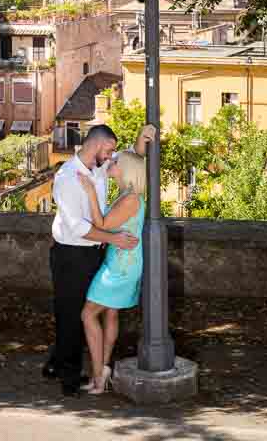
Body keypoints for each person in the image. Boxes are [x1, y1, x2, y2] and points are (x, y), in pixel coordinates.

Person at [43, 123, 155, 397]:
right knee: (71, 315)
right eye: (110, 149)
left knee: (84, 311)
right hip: (71, 253)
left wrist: (142, 137)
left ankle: (58, 363)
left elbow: (133, 161)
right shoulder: (67, 177)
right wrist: (113, 239)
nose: (112, 155)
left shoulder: (102, 166)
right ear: (97, 144)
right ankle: (69, 380)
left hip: (96, 253)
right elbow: (77, 227)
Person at [78, 151, 146, 394]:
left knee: (88, 314)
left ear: (127, 170)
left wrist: (89, 193)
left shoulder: (131, 199)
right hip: (120, 260)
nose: (110, 163)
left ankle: (98, 375)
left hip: (121, 265)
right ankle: (103, 370)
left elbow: (102, 225)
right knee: (110, 313)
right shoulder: (127, 196)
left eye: (116, 162)